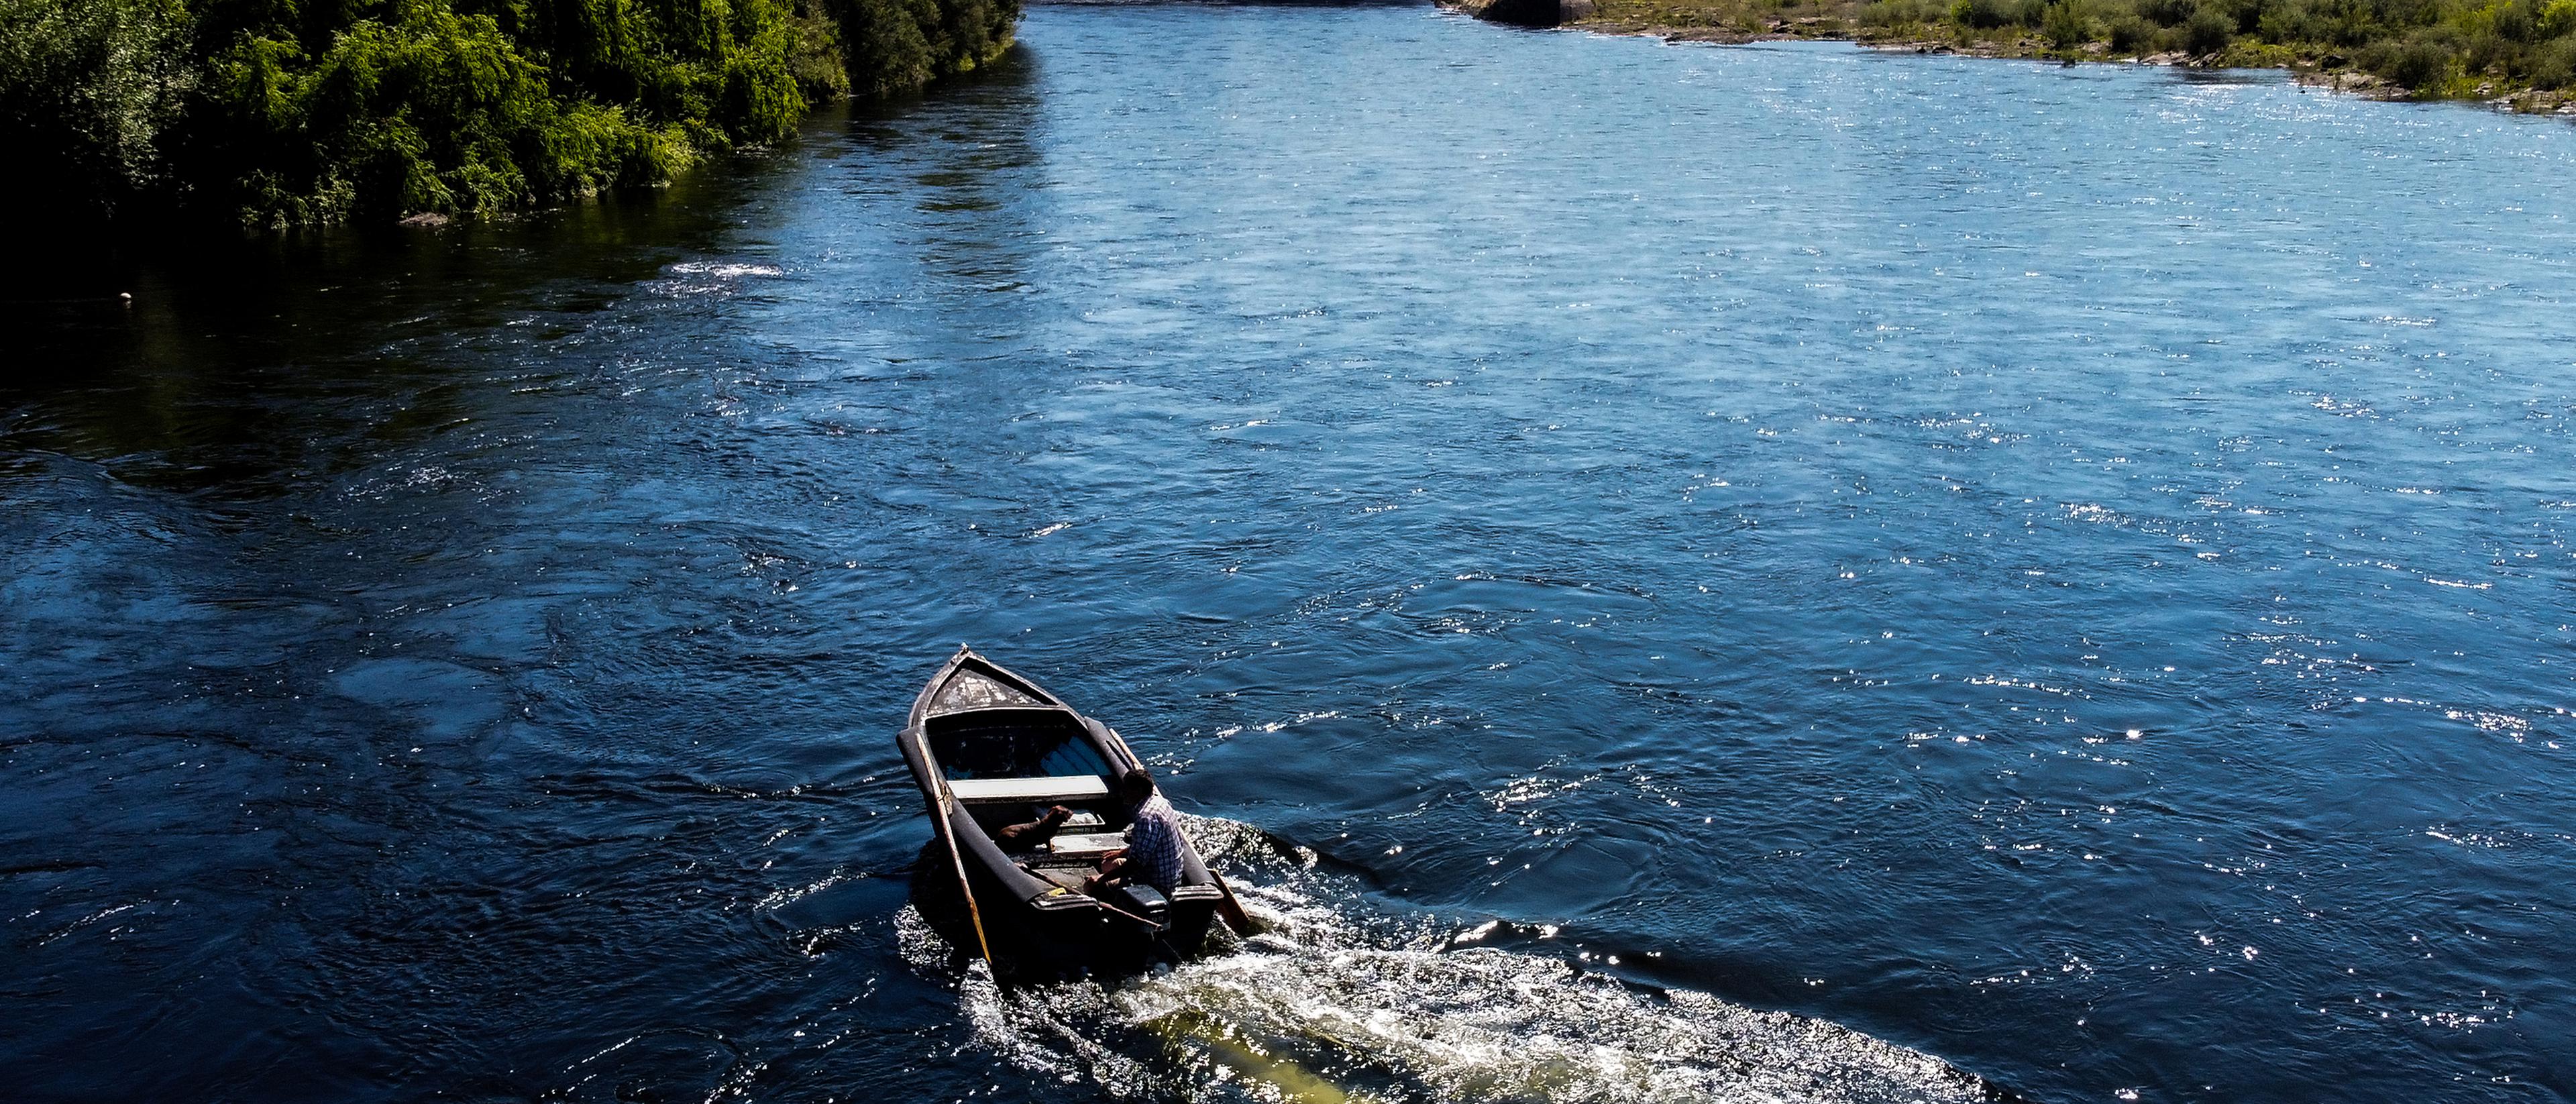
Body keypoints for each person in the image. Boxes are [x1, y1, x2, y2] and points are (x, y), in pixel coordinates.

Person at [1084, 767, 1185, 895]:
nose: (1122, 793)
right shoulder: (1161, 802)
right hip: (1171, 875)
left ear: (1139, 790)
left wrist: (1100, 879)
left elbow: (1134, 865)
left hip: (1156, 885)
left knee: (1091, 887)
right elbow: (1146, 847)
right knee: (1107, 864)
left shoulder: (1146, 818)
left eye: (1126, 789)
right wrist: (1121, 853)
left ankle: (1114, 906)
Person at [995, 804, 1072, 848]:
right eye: (1067, 813)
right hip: (1005, 839)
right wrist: (1049, 848)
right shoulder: (1049, 828)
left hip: (1005, 835)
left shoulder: (1046, 824)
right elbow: (1046, 837)